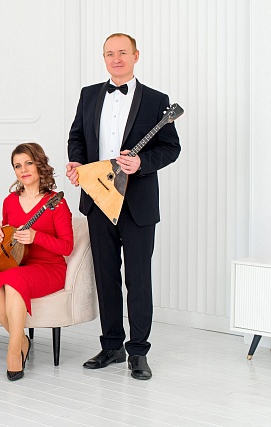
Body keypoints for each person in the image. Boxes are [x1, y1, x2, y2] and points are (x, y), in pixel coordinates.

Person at [65, 33, 181, 380]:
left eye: (122, 53)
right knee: (106, 277)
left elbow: (170, 148)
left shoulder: (157, 100)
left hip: (138, 203)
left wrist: (142, 163)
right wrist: (77, 162)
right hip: (98, 198)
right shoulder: (88, 95)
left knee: (138, 279)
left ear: (135, 56)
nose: (116, 59)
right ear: (104, 58)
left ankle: (138, 352)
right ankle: (112, 346)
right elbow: (77, 137)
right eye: (109, 54)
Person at [0, 143, 73, 381]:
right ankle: (22, 340)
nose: (23, 170)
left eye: (28, 163)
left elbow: (67, 247)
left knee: (14, 281)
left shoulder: (56, 202)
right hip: (19, 265)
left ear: (39, 165)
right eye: (17, 166)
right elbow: (9, 235)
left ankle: (14, 352)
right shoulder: (10, 201)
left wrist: (37, 237)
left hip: (50, 268)